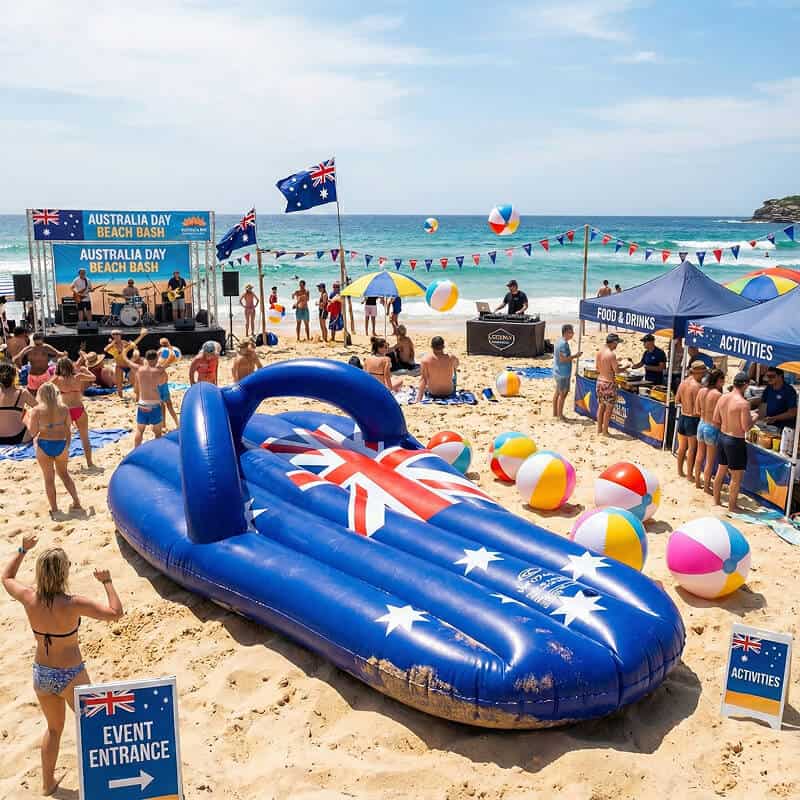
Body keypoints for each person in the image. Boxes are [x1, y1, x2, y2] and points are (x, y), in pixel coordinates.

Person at [2, 539, 123, 795]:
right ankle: (102, 783)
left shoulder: (28, 597)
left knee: (54, 729)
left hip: (42, 674)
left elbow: (6, 576)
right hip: (71, 675)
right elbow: (116, 613)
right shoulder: (73, 603)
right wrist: (107, 582)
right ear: (63, 573)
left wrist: (23, 550)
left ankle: (47, 784)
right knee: (93, 727)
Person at [26, 383, 82, 516]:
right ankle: (76, 502)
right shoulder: (64, 408)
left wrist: (27, 420)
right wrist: (67, 445)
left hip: (44, 445)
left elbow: (32, 432)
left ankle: (55, 509)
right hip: (61, 444)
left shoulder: (37, 410)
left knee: (48, 479)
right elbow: (69, 428)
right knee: (65, 475)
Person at [713, 372, 758, 511]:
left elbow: (716, 420)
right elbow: (746, 427)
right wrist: (755, 417)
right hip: (735, 441)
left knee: (721, 471)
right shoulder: (743, 404)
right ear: (745, 385)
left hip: (722, 436)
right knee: (736, 477)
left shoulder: (723, 397)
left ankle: (716, 501)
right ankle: (732, 506)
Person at [51, 357, 95, 469]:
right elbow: (93, 377)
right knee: (85, 437)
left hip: (65, 411)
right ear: (71, 366)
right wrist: (85, 370)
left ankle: (63, 464)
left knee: (66, 439)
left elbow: (44, 388)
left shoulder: (56, 379)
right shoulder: (78, 377)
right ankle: (89, 463)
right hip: (78, 409)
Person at [122, 349, 167, 446]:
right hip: (155, 405)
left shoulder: (139, 369)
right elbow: (163, 382)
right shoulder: (159, 370)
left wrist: (125, 351)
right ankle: (157, 451)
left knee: (139, 430)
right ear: (156, 359)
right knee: (157, 433)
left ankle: (135, 451)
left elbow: (126, 360)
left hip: (142, 405)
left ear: (146, 359)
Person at [675, 361, 708, 478]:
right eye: (703, 372)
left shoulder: (683, 383)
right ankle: (689, 475)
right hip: (693, 420)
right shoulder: (698, 387)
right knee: (692, 450)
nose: (704, 374)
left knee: (682, 447)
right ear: (698, 372)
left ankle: (680, 471)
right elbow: (700, 409)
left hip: (683, 417)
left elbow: (677, 400)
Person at [695, 368, 725, 494]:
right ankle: (707, 487)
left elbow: (697, 410)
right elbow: (720, 416)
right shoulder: (718, 395)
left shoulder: (701, 391)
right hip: (712, 427)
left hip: (701, 424)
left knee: (700, 455)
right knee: (710, 459)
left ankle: (697, 481)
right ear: (719, 380)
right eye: (723, 380)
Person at [104, 328, 147, 399]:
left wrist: (141, 336)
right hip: (119, 366)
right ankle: (120, 397)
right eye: (114, 334)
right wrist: (112, 343)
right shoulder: (112, 345)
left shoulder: (124, 343)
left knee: (133, 382)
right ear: (112, 335)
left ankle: (138, 397)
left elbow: (134, 344)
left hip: (128, 365)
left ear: (120, 335)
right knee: (119, 384)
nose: (115, 335)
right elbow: (105, 349)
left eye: (117, 334)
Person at [0, 362, 35, 445]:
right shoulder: (22, 392)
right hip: (19, 437)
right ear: (15, 376)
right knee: (31, 413)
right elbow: (41, 409)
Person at [595, 333, 623, 435]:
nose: (617, 346)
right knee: (609, 408)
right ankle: (605, 431)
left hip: (600, 382)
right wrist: (626, 367)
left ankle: (599, 429)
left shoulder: (599, 352)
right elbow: (617, 370)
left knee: (601, 406)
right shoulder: (611, 354)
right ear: (613, 342)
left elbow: (597, 368)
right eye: (617, 343)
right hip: (609, 383)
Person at [416, 336, 459, 402]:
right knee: (454, 373)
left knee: (427, 377)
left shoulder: (425, 360)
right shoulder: (452, 358)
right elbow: (456, 365)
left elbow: (423, 380)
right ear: (443, 346)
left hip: (434, 393)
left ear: (431, 347)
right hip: (448, 392)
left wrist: (418, 398)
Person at [552, 323, 581, 419]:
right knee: (563, 394)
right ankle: (560, 415)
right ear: (566, 333)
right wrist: (575, 356)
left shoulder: (559, 341)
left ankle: (555, 413)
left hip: (558, 371)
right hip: (562, 373)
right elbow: (563, 359)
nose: (573, 334)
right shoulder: (563, 344)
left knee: (557, 393)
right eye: (571, 332)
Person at [155, 339, 179, 429]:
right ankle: (175, 423)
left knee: (164, 405)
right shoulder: (162, 359)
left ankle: (167, 424)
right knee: (168, 405)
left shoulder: (160, 355)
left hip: (161, 385)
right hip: (161, 385)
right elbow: (173, 356)